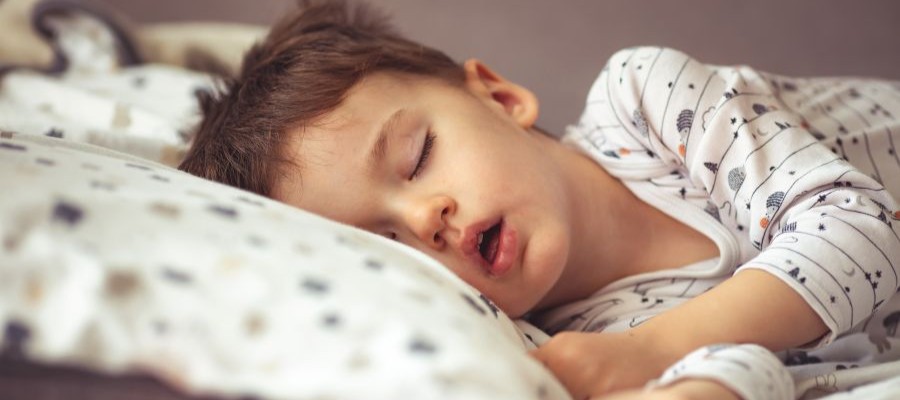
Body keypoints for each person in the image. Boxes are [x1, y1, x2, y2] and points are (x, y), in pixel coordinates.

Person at [178, 1, 900, 399]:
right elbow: (801, 374)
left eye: (417, 158)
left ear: (499, 96)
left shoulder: (647, 103)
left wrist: (651, 352)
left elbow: (860, 231)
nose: (423, 221)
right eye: (383, 244)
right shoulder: (564, 341)